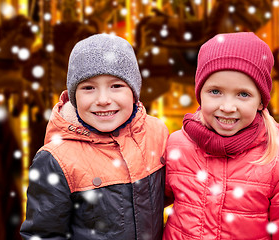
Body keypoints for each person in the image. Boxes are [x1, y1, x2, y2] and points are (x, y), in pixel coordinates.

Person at [163, 32, 279, 239]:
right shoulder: (176, 146)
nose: (227, 107)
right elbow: (147, 205)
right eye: (215, 91)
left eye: (243, 94)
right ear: (199, 93)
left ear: (261, 101)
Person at [20, 33, 169, 239]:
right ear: (74, 96)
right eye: (88, 88)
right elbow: (43, 233)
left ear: (134, 92)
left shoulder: (156, 132)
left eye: (116, 86)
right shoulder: (56, 159)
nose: (103, 99)